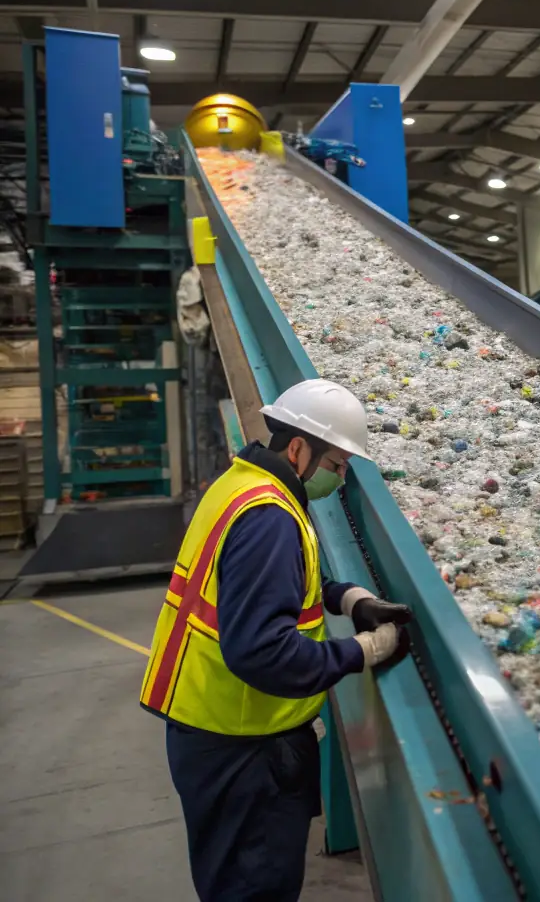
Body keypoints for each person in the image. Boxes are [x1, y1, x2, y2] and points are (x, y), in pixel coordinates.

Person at [140, 378, 413, 901]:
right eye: (337, 465)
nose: (341, 476)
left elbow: (261, 583)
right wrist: (361, 651)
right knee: (254, 889)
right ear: (297, 448)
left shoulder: (241, 486)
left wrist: (347, 598)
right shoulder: (269, 516)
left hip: (210, 732)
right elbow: (262, 653)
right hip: (243, 747)